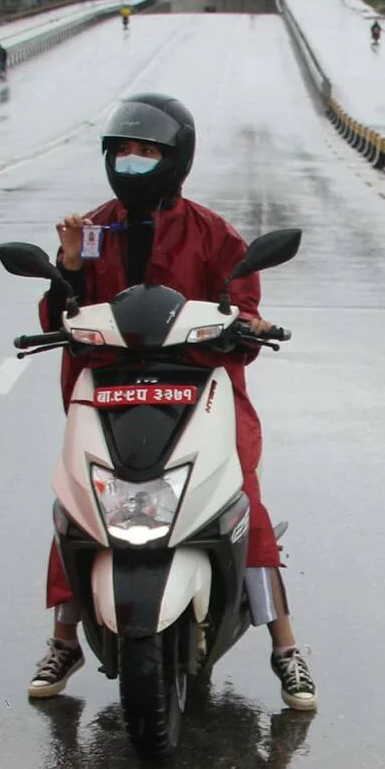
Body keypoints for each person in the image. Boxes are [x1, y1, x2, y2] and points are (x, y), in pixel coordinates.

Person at [26, 92, 316, 711]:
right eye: (123, 151)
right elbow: (60, 312)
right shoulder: (92, 229)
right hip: (108, 392)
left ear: (175, 158)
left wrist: (249, 325)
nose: (133, 160)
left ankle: (285, 647)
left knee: (246, 506)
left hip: (199, 390)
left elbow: (245, 306)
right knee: (78, 505)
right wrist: (69, 267)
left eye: (147, 151)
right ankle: (63, 637)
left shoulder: (214, 233)